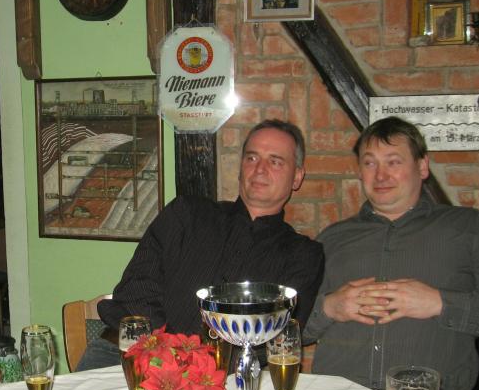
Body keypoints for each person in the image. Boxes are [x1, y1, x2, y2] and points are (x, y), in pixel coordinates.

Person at [76, 119, 325, 370]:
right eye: (251, 158)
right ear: (240, 168)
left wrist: (194, 370)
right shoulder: (186, 214)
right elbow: (136, 291)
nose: (259, 169)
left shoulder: (303, 255)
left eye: (275, 161)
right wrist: (171, 356)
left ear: (297, 177)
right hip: (126, 355)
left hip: (221, 376)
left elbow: (277, 337)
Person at [304, 116, 479, 390]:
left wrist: (439, 302)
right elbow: (290, 330)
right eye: (370, 163)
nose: (381, 175)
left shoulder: (469, 228)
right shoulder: (331, 239)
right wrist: (330, 307)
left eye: (394, 161)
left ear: (422, 166)